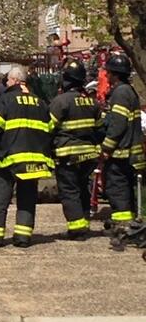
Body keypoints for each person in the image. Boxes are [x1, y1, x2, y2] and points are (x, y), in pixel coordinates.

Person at [0, 64, 54, 248]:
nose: (6, 83)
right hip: (34, 160)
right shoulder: (40, 102)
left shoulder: (5, 100)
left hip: (9, 158)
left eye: (8, 80)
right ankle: (23, 237)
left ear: (16, 81)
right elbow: (50, 129)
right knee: (27, 198)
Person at [49, 59, 103, 240]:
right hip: (89, 154)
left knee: (69, 191)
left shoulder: (60, 102)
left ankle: (77, 228)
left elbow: (48, 128)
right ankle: (84, 223)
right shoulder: (92, 103)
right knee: (82, 188)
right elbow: (100, 129)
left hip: (68, 154)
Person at [101, 52, 146, 230]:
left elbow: (117, 125)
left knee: (117, 188)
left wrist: (106, 147)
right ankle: (131, 222)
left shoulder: (120, 93)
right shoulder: (129, 91)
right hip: (131, 152)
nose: (107, 76)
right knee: (127, 188)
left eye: (109, 73)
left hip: (120, 152)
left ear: (115, 74)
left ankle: (123, 225)